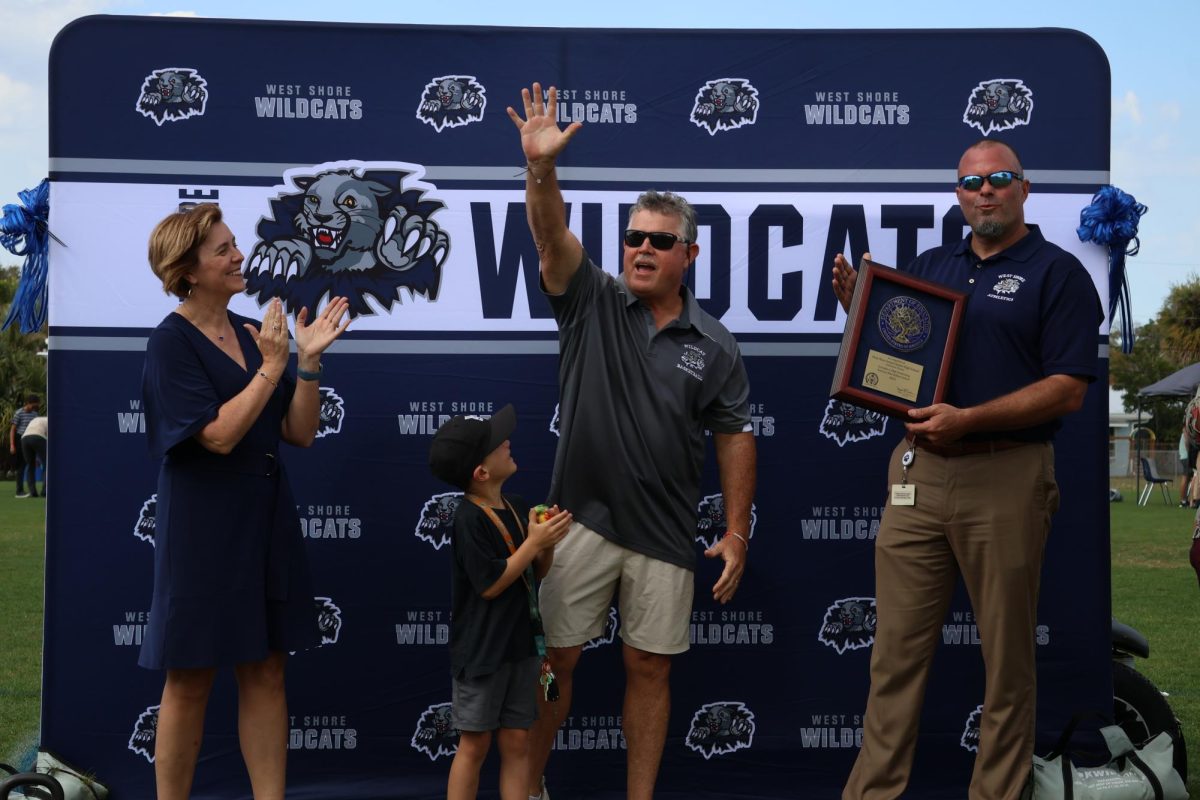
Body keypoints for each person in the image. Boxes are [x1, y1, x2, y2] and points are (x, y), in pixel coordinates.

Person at [506, 83, 757, 800]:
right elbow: (550, 235)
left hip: (667, 535)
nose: (643, 249)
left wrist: (736, 531)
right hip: (575, 521)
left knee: (651, 671)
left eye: (660, 241)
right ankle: (528, 788)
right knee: (556, 659)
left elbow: (736, 437)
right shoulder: (588, 298)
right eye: (634, 238)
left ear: (690, 254)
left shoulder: (715, 344)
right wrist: (540, 170)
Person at [831, 139, 1103, 800]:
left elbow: (1068, 388)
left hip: (1006, 473)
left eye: (1000, 178)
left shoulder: (1057, 272)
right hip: (919, 472)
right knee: (893, 658)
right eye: (971, 182)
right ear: (958, 194)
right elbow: (905, 360)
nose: (986, 191)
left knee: (1007, 666)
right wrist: (861, 315)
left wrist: (970, 419)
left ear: (1024, 188)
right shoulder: (931, 267)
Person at [139, 203, 350, 800]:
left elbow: (300, 432)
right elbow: (218, 435)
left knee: (266, 668)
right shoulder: (170, 342)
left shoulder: (252, 333)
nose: (239, 256)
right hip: (202, 528)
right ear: (188, 269)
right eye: (223, 250)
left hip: (265, 519)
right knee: (190, 677)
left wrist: (305, 365)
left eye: (235, 244)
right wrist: (272, 367)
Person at [428, 405, 574, 800]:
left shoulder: (516, 506)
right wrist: (533, 544)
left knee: (516, 743)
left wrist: (545, 544)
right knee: (474, 746)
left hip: (520, 649)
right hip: (482, 655)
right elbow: (490, 585)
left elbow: (535, 574)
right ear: (481, 473)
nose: (507, 442)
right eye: (496, 443)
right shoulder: (467, 519)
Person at [9, 394, 39, 497]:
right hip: (20, 439)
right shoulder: (19, 413)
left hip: (31, 440)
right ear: (27, 403)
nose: (34, 408)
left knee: (31, 464)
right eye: (33, 406)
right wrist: (12, 445)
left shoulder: (35, 414)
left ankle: (32, 490)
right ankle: (19, 490)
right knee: (21, 466)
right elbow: (13, 429)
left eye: (36, 406)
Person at [19, 413, 47, 498]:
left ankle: (33, 492)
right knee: (47, 464)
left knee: (30, 465)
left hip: (24, 439)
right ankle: (45, 491)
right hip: (38, 437)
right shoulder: (50, 420)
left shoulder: (36, 419)